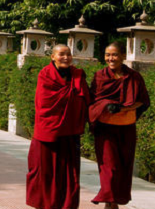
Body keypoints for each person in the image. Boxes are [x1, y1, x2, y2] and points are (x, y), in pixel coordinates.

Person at [26, 44, 90, 209]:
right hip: (48, 132)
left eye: (68, 54)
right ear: (52, 57)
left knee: (69, 173)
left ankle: (66, 205)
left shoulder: (77, 75)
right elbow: (44, 103)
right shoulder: (45, 75)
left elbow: (85, 100)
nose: (66, 58)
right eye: (61, 54)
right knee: (45, 171)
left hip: (70, 132)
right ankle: (45, 204)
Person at [89, 42, 150, 209]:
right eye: (108, 55)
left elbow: (143, 101)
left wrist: (125, 107)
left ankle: (116, 198)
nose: (111, 58)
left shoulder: (135, 77)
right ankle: (109, 199)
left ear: (123, 55)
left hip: (127, 126)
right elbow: (93, 101)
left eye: (114, 54)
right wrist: (107, 105)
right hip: (106, 128)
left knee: (124, 165)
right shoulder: (100, 76)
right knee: (109, 166)